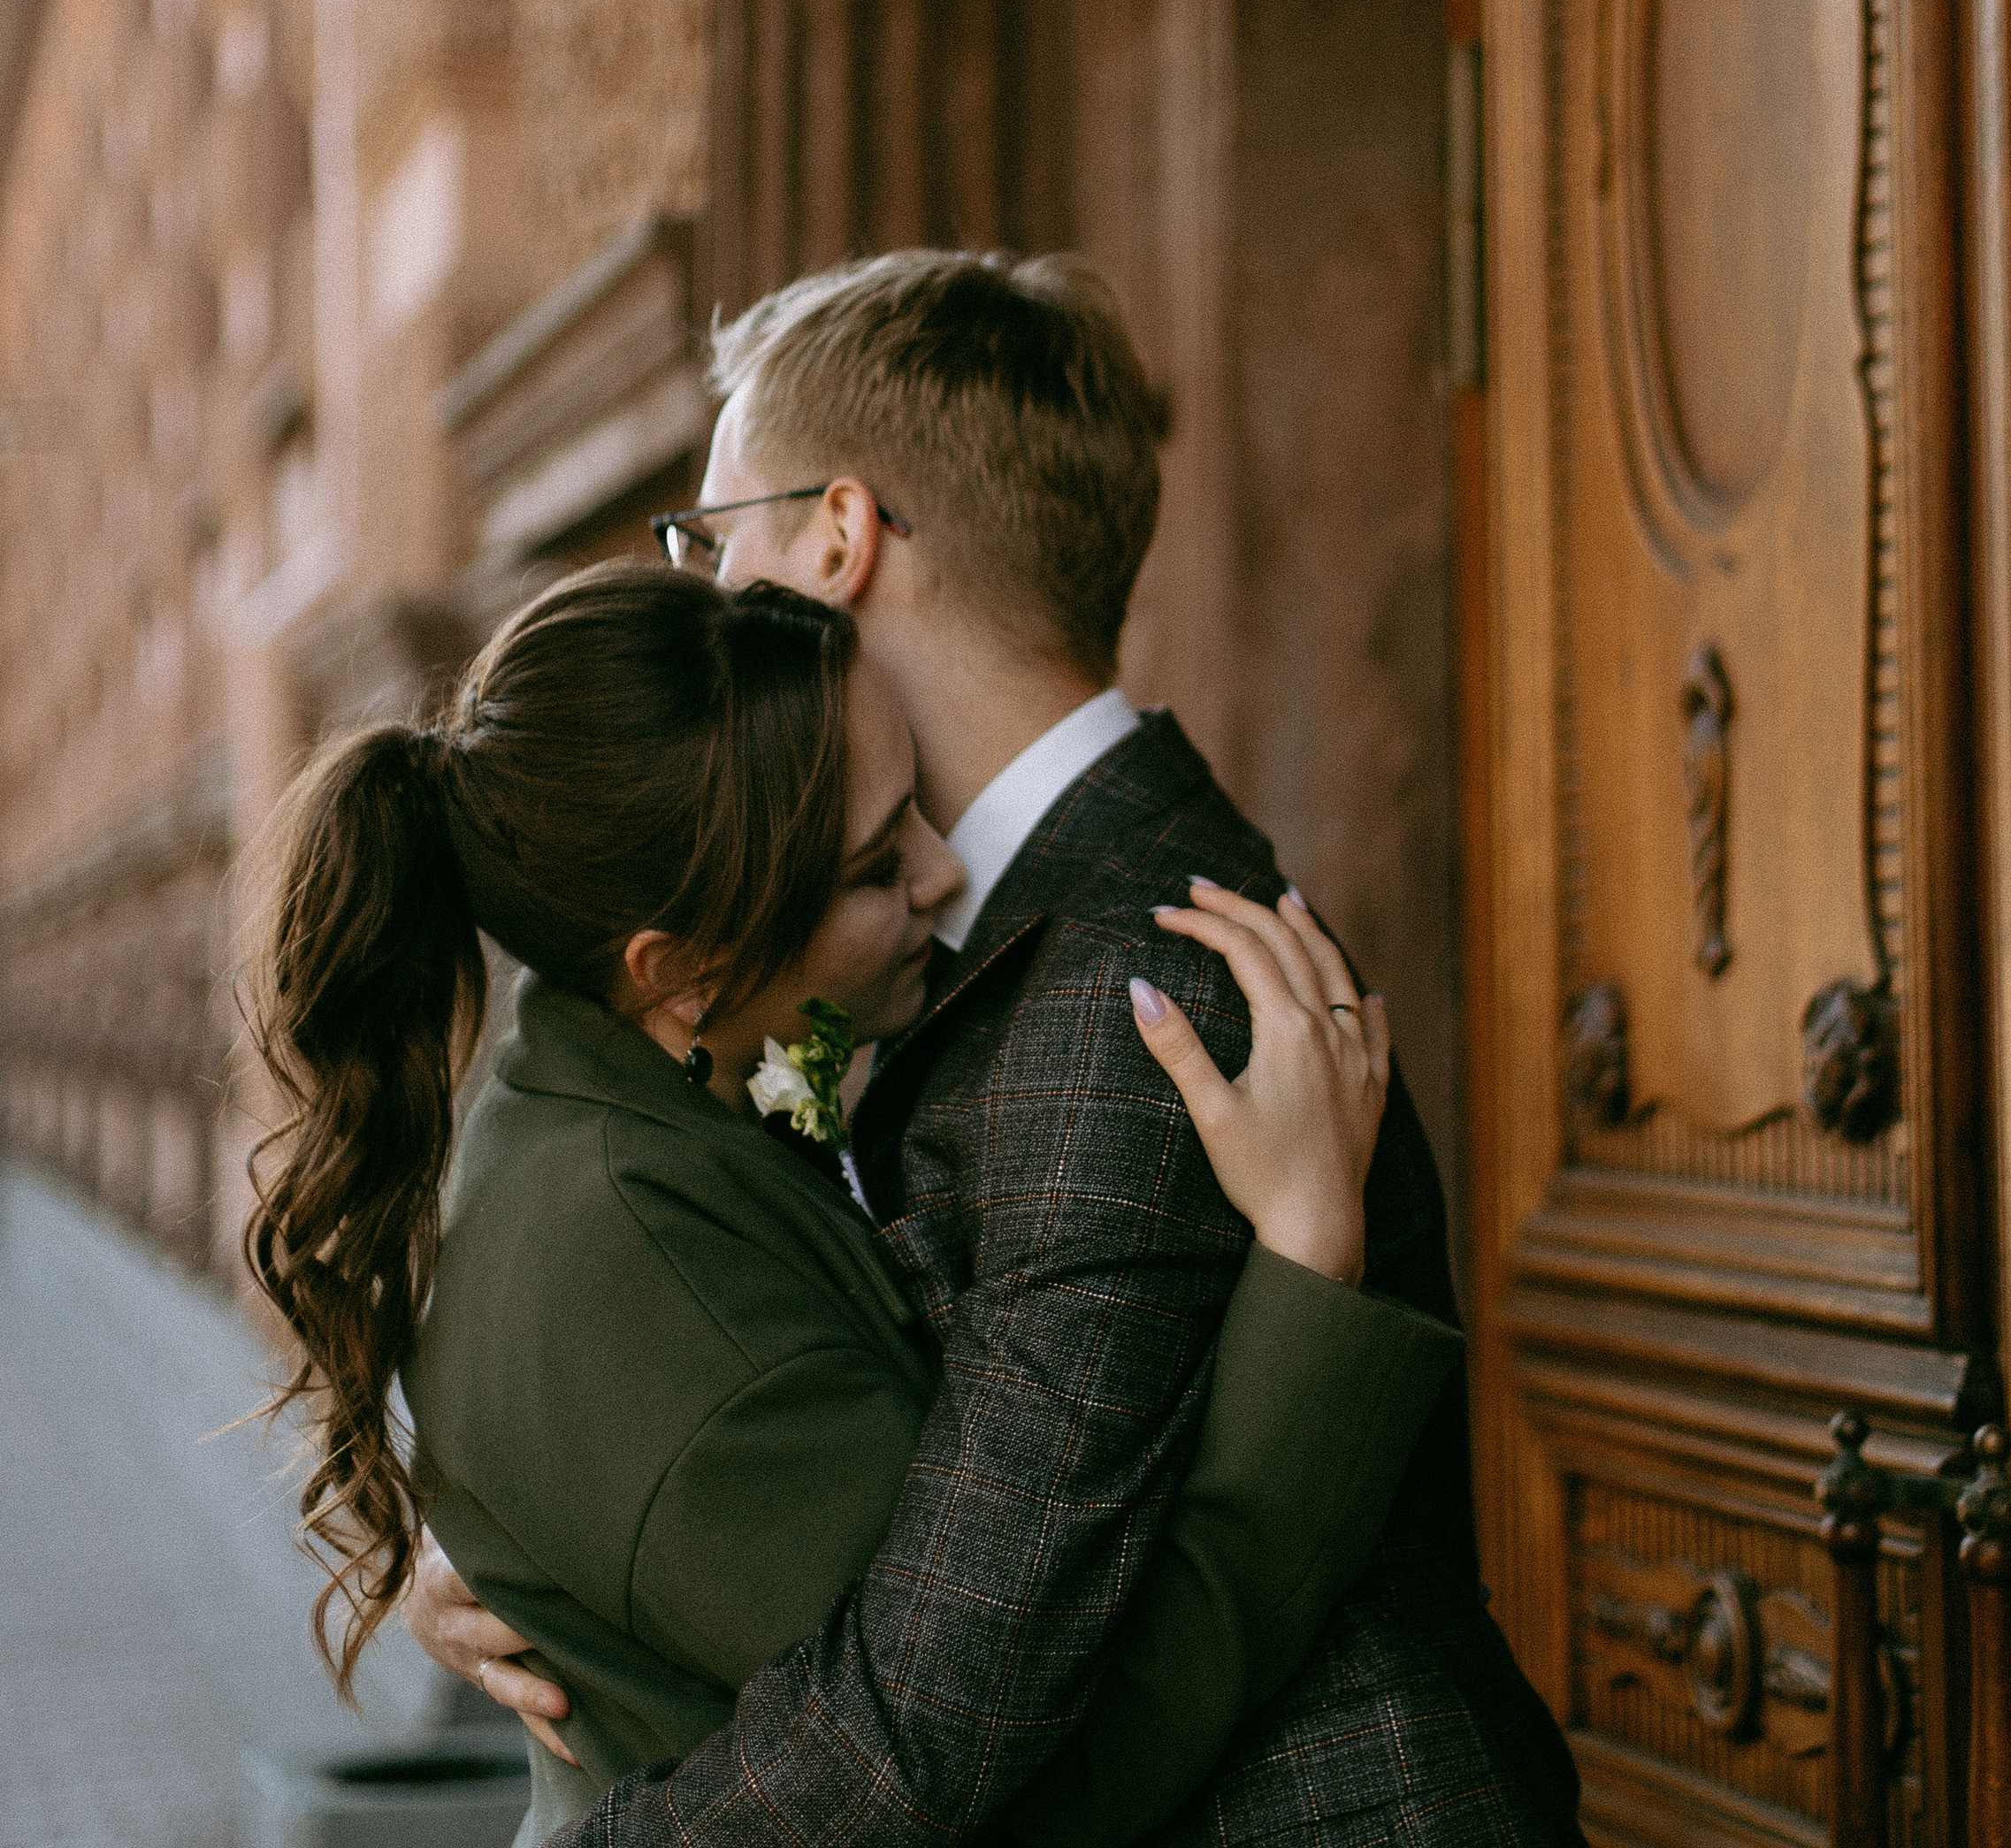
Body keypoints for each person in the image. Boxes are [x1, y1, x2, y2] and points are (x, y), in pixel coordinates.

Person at [411, 251, 1586, 1844]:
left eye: (708, 534)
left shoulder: (1133, 998)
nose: (694, 590)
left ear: (837, 539)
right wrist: (533, 1539)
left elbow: (952, 1701)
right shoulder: (949, 932)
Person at [244, 562, 1463, 1847]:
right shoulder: (644, 1277)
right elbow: (1017, 1779)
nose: (947, 875)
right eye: (877, 867)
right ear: (681, 969)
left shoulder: (637, 1083)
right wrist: (1310, 1270)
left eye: (921, 807)